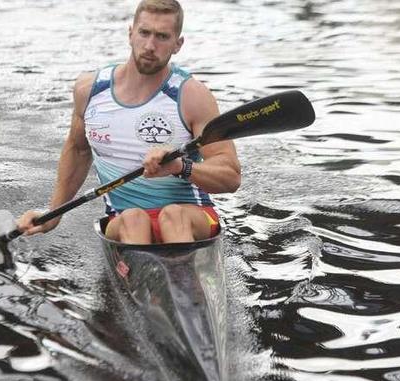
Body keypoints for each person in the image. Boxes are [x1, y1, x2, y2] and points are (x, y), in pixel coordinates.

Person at [15, 0, 240, 244]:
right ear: (130, 33)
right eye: (144, 33)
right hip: (123, 220)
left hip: (192, 218)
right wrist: (51, 215)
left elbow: (230, 176)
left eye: (162, 37)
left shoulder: (192, 97)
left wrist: (180, 167)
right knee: (134, 218)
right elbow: (78, 150)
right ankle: (148, 276)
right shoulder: (89, 90)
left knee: (173, 217)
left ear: (178, 44)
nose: (150, 45)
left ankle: (177, 278)